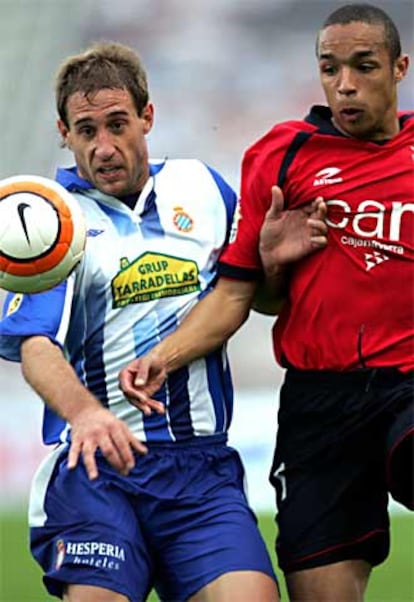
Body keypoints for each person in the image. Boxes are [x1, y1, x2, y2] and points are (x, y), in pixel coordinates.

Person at [119, 4, 414, 602]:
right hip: (318, 403)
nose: (345, 85)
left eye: (363, 67)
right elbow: (240, 295)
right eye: (330, 69)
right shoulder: (280, 157)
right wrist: (166, 355)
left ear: (399, 68)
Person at [0, 41, 286, 602]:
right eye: (86, 131)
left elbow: (249, 298)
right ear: (64, 132)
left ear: (146, 117)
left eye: (117, 124)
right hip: (99, 470)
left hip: (201, 471)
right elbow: (35, 343)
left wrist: (273, 263)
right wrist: (85, 414)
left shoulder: (204, 189)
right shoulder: (52, 220)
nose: (104, 147)